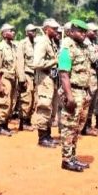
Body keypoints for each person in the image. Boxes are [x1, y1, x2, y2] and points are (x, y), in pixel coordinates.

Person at [58, 20, 92, 172]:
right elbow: (64, 74)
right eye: (80, 31)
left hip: (83, 91)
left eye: (85, 31)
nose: (83, 34)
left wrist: (89, 92)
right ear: (71, 32)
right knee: (69, 127)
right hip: (73, 91)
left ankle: (72, 157)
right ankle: (66, 160)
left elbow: (86, 71)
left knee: (77, 127)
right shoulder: (67, 48)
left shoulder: (82, 47)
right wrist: (69, 97)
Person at [32, 19, 60, 148]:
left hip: (51, 79)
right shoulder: (42, 42)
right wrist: (54, 61)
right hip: (44, 79)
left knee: (51, 108)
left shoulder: (51, 42)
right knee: (44, 107)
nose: (56, 31)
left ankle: (47, 135)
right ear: (46, 29)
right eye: (53, 29)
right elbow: (37, 63)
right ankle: (42, 138)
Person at [0, 24, 23, 137]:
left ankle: (5, 125)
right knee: (3, 103)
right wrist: (0, 85)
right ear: (4, 34)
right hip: (4, 78)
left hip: (13, 79)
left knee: (11, 103)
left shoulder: (14, 47)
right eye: (11, 31)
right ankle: (0, 127)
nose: (14, 32)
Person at [81, 22, 98, 136]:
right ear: (88, 31)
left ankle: (88, 125)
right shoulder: (85, 43)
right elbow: (93, 58)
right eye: (93, 31)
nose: (96, 33)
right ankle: (84, 127)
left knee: (93, 102)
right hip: (90, 75)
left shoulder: (95, 42)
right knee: (88, 101)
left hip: (96, 74)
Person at [18, 24, 37, 131]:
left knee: (34, 100)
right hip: (26, 74)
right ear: (26, 32)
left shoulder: (35, 44)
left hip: (35, 75)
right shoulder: (22, 44)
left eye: (34, 31)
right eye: (31, 31)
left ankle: (28, 120)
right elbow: (20, 61)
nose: (33, 32)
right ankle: (23, 122)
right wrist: (22, 79)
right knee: (26, 99)